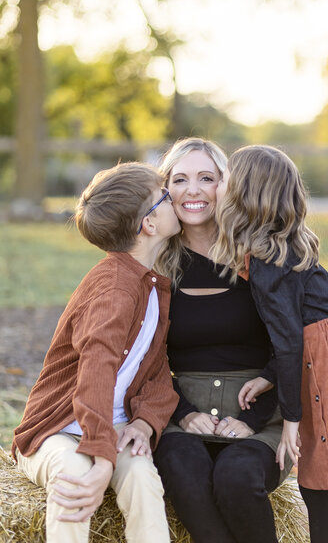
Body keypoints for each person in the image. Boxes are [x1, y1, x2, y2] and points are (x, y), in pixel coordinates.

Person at [213, 144, 328, 543]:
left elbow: (291, 341)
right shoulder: (283, 248)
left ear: (244, 194)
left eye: (226, 177)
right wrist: (267, 378)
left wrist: (291, 422)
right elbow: (296, 329)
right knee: (323, 487)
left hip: (321, 369)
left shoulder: (265, 262)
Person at [12, 161, 181, 543]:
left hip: (116, 425)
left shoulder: (152, 285)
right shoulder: (114, 288)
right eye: (166, 197)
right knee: (74, 476)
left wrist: (145, 421)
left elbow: (155, 370)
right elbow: (96, 371)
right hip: (56, 428)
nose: (175, 200)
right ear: (149, 225)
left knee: (140, 476)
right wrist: (102, 458)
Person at [153, 138, 292, 543]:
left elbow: (290, 347)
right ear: (166, 191)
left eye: (206, 178)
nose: (192, 190)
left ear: (226, 186)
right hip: (181, 413)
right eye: (179, 179)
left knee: (236, 477)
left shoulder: (260, 258)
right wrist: (182, 411)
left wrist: (251, 419)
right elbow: (144, 356)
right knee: (183, 470)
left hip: (261, 413)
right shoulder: (155, 265)